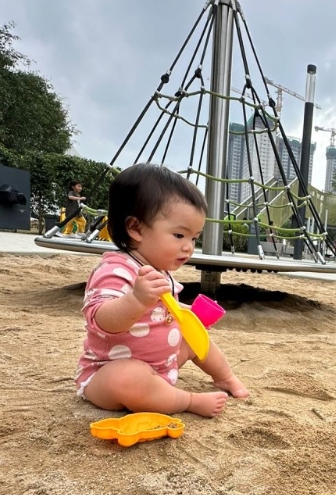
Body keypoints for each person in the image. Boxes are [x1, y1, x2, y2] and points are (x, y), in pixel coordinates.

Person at [76, 164, 249, 418]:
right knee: (127, 378)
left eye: (194, 238)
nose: (189, 247)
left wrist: (188, 314)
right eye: (179, 235)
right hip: (110, 373)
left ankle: (226, 377)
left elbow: (164, 309)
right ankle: (188, 401)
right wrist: (136, 300)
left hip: (160, 365)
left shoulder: (160, 269)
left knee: (193, 337)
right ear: (136, 228)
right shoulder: (116, 269)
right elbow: (101, 319)